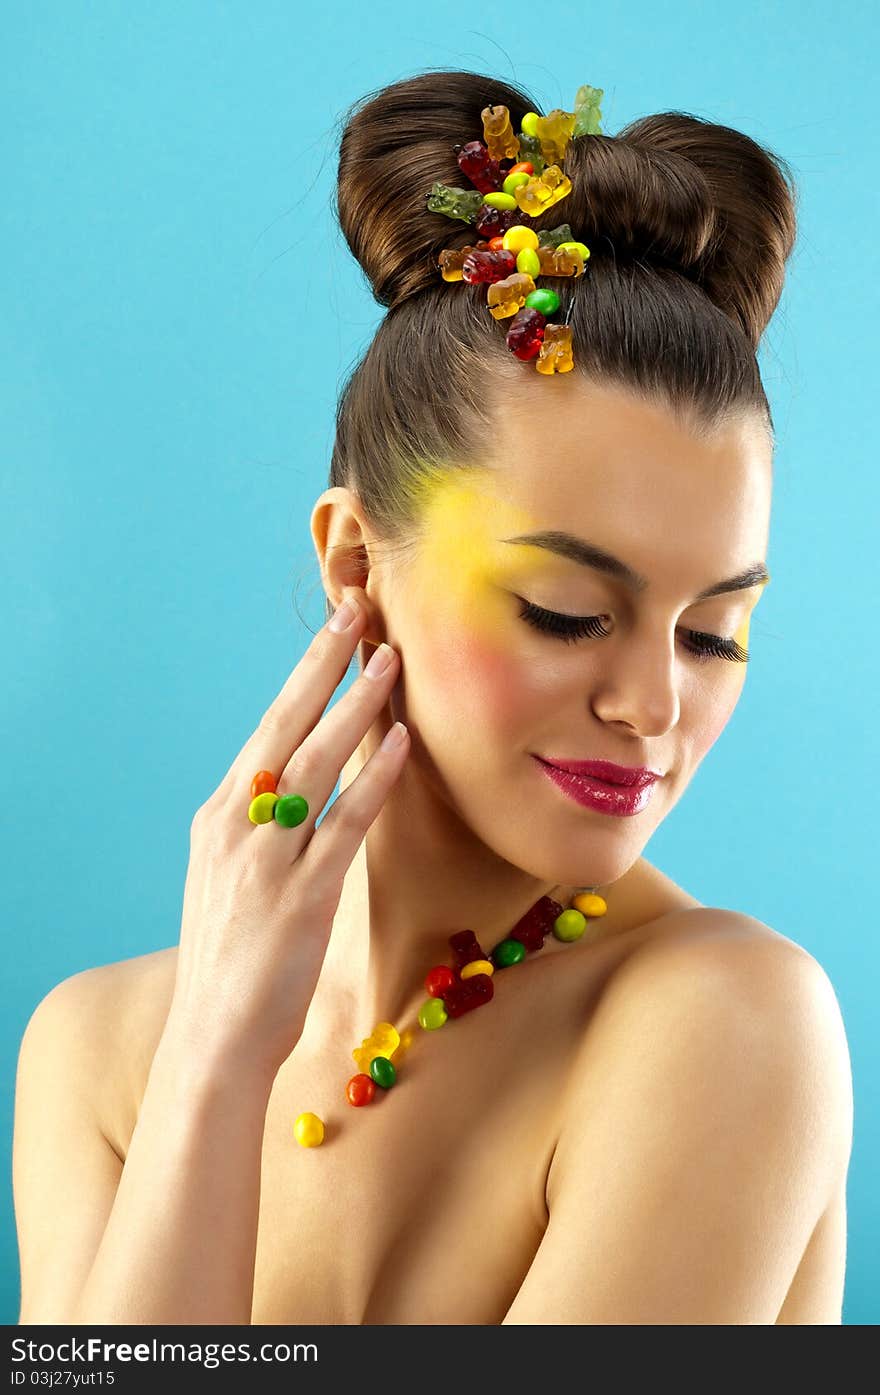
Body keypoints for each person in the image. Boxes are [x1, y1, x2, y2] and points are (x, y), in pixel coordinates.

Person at [13, 70, 853, 1327]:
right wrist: (213, 1067)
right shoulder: (98, 1052)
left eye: (713, 636)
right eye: (567, 613)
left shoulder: (724, 1023)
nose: (651, 706)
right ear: (356, 564)